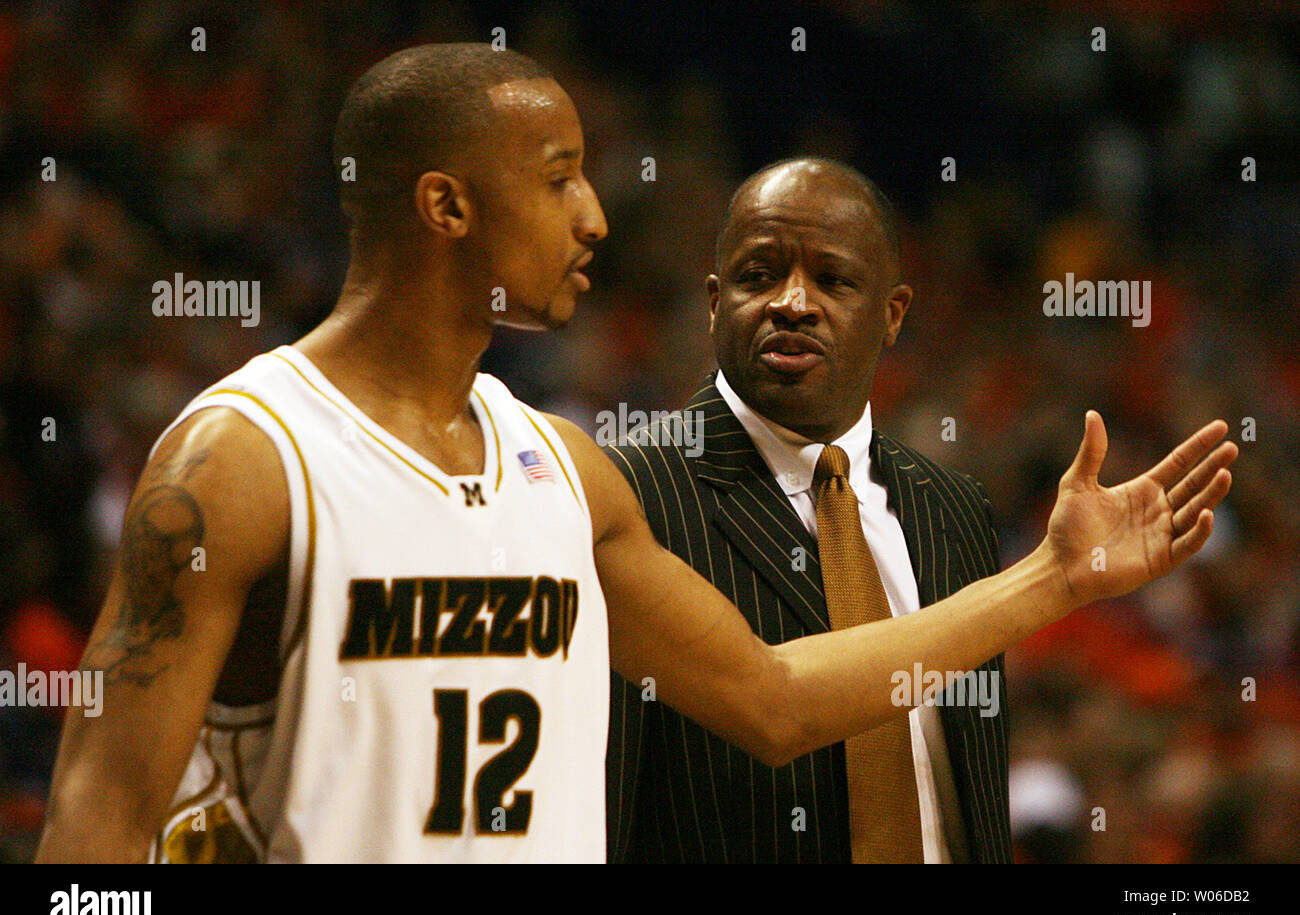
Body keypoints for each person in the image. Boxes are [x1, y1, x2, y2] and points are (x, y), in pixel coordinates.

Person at [35, 44, 1235, 863]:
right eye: (559, 177)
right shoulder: (242, 460)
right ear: (446, 207)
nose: (596, 215)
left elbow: (772, 701)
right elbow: (96, 824)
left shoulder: (561, 467)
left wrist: (1054, 581)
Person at [607, 157, 1030, 863]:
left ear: (893, 313)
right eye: (757, 276)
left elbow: (973, 790)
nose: (792, 303)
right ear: (714, 302)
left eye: (832, 280)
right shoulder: (634, 490)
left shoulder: (954, 508)